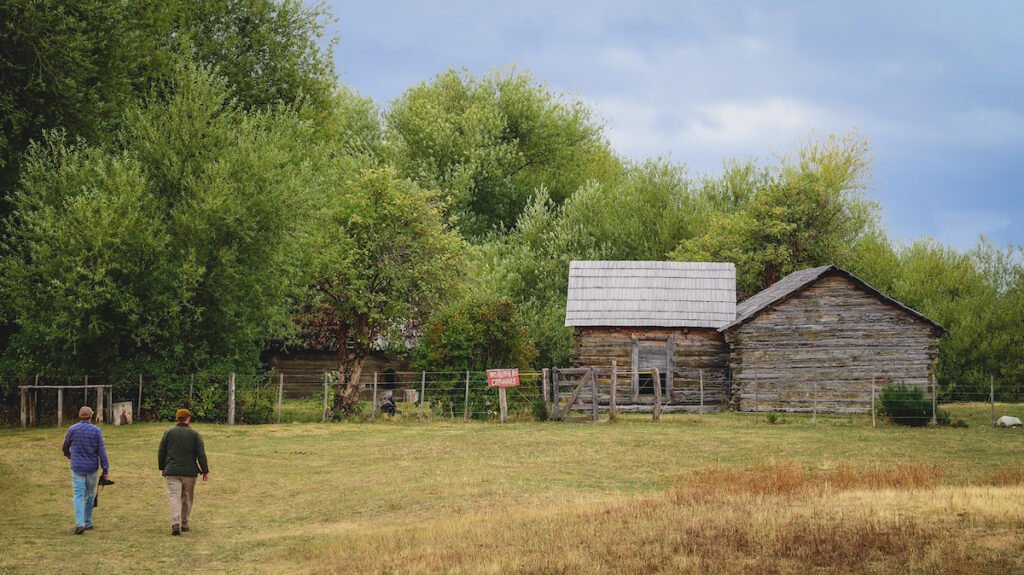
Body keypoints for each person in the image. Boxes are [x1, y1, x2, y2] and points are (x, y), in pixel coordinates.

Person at [158, 408, 210, 536]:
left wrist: (162, 467)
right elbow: (201, 455)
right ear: (188, 419)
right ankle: (185, 523)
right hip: (189, 472)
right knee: (187, 497)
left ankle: (175, 522)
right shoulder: (194, 435)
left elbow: (161, 452)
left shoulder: (168, 433)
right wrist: (205, 471)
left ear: (177, 419)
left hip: (172, 471)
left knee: (174, 496)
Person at [62, 406, 110, 535]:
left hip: (77, 466)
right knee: (89, 495)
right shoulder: (96, 431)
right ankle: (87, 521)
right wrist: (105, 469)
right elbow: (102, 451)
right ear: (91, 416)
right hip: (91, 467)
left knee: (78, 495)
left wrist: (68, 454)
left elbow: (65, 445)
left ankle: (79, 523)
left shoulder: (72, 429)